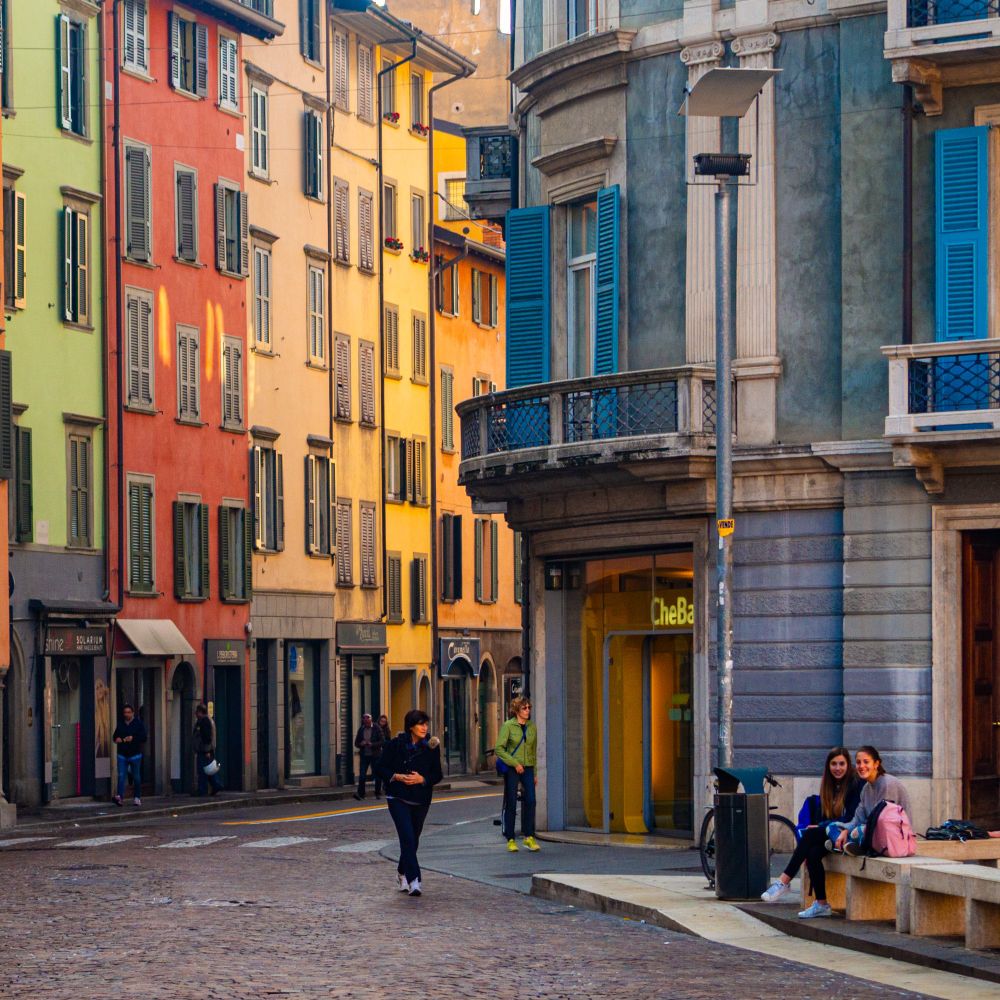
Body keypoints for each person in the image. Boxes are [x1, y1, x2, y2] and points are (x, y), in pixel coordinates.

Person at [759, 747, 862, 917]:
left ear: (848, 764)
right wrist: (822, 825)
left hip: (850, 835)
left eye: (842, 764)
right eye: (834, 764)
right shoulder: (830, 785)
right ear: (828, 766)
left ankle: (784, 881)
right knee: (813, 854)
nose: (838, 768)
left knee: (810, 835)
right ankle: (821, 904)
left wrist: (822, 825)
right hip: (833, 834)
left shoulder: (855, 784)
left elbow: (851, 817)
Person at [375, 709, 442, 897]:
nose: (424, 727)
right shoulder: (394, 745)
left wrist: (422, 779)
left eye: (426, 724)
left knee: (414, 839)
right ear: (410, 726)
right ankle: (415, 881)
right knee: (407, 837)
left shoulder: (431, 747)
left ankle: (402, 872)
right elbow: (379, 767)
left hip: (421, 799)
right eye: (421, 724)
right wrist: (395, 776)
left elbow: (437, 774)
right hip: (397, 797)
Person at [834, 745, 911, 859]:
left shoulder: (887, 784)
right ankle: (845, 845)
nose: (861, 766)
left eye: (866, 762)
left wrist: (853, 830)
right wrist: (845, 830)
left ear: (876, 764)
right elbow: (858, 818)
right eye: (858, 762)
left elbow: (882, 822)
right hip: (872, 831)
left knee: (858, 831)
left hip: (894, 837)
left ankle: (854, 846)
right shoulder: (866, 789)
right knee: (832, 827)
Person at [495, 696, 539, 853]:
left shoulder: (532, 727)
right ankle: (511, 838)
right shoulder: (508, 726)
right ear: (516, 711)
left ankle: (529, 836)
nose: (528, 711)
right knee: (512, 802)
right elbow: (499, 749)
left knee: (531, 801)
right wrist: (515, 763)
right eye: (524, 708)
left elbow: (534, 751)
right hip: (513, 768)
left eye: (529, 707)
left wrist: (534, 772)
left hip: (528, 767)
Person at [112, 704, 147, 806]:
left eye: (128, 712)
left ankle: (137, 797)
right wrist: (116, 739)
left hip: (135, 754)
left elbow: (144, 737)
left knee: (136, 776)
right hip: (122, 754)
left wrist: (133, 738)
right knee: (121, 775)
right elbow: (115, 736)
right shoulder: (121, 724)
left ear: (132, 713)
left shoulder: (138, 724)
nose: (126, 714)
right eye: (125, 712)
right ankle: (120, 797)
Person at [193, 703, 223, 797]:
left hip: (205, 751)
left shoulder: (204, 721)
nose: (195, 714)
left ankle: (204, 790)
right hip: (206, 750)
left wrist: (207, 751)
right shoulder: (206, 720)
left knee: (203, 770)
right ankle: (216, 785)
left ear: (200, 712)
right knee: (208, 770)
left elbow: (207, 737)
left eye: (197, 712)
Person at [353, 713, 384, 800]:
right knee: (362, 775)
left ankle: (378, 793)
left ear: (371, 720)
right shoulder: (361, 729)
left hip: (375, 755)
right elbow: (356, 743)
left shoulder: (377, 728)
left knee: (377, 774)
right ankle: (361, 794)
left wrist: (372, 744)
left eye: (367, 720)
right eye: (364, 720)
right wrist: (361, 744)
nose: (366, 721)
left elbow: (382, 741)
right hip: (364, 755)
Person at [374, 715, 392, 799]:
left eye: (384, 722)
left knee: (384, 772)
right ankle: (378, 791)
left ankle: (385, 787)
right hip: (376, 753)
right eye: (381, 721)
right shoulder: (375, 729)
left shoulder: (387, 730)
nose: (383, 723)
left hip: (384, 753)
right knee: (378, 773)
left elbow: (388, 741)